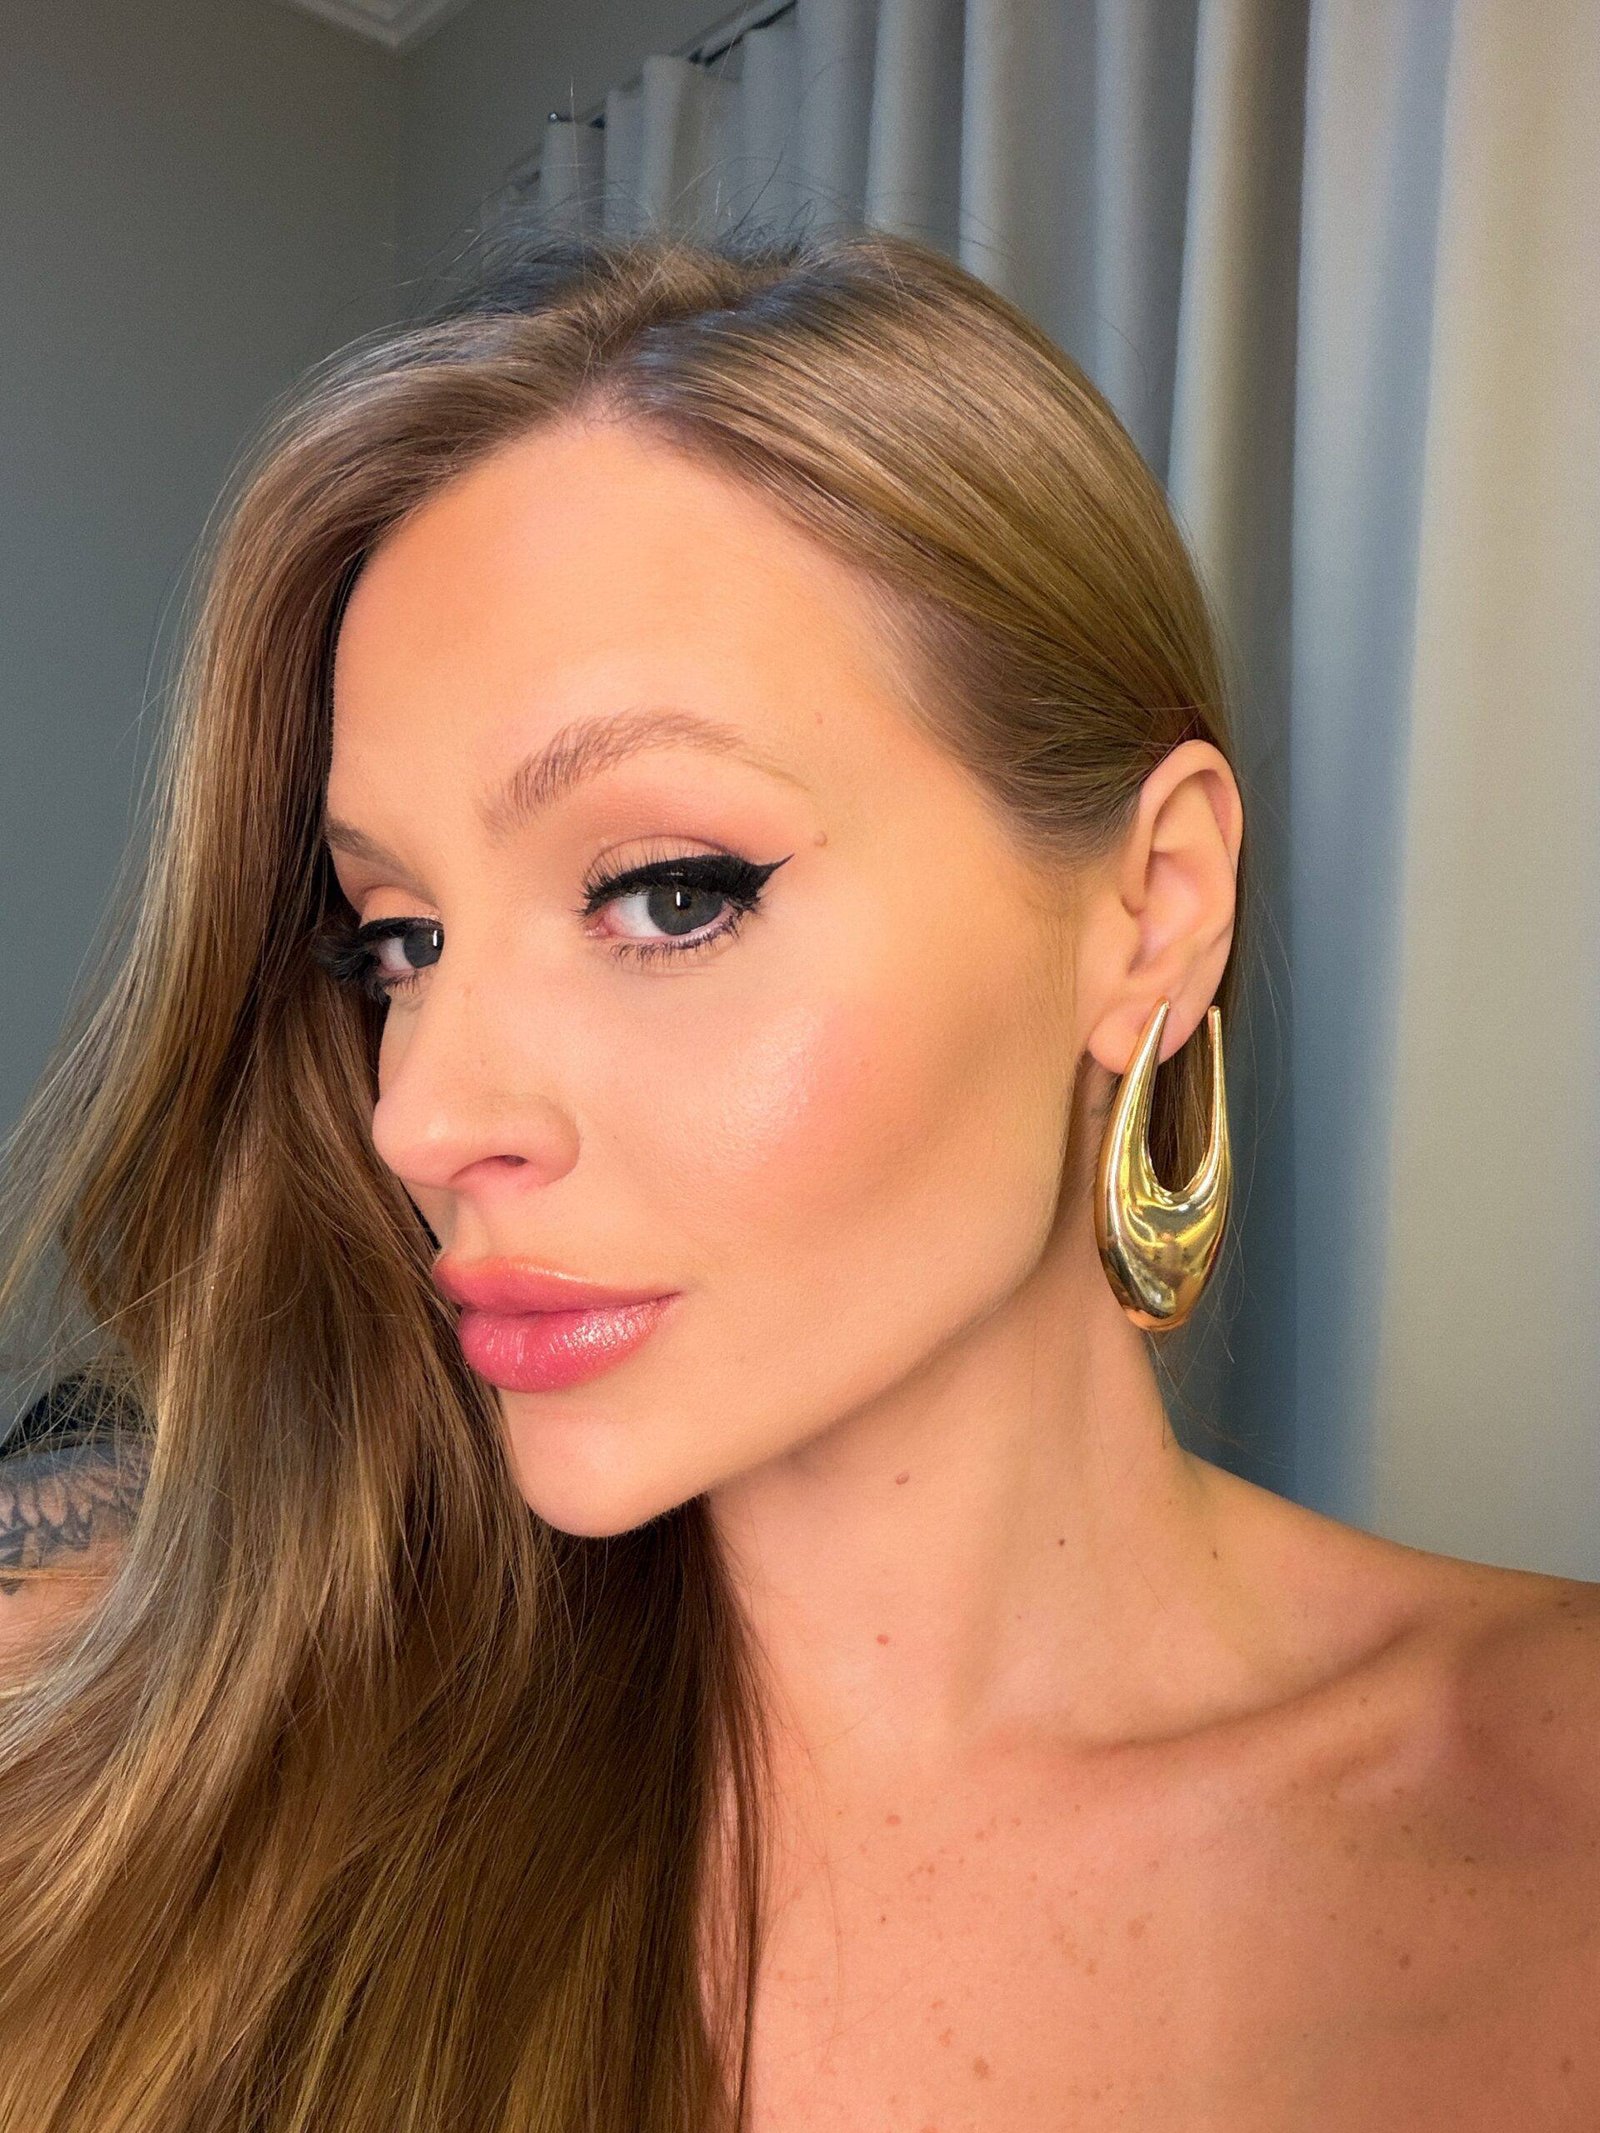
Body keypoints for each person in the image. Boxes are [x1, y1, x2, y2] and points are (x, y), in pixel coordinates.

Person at [0, 227, 1594, 2133]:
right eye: (398, 939)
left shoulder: (1549, 1807)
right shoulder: (161, 1751)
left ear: (1154, 910)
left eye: (669, 894)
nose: (419, 1111)